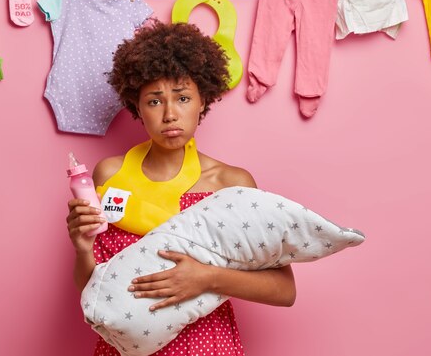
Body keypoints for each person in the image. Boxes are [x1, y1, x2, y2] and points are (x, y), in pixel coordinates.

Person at [66, 21, 296, 356]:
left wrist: (206, 278)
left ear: (203, 101)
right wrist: (83, 247)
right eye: (155, 101)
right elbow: (93, 289)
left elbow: (283, 289)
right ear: (137, 107)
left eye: (183, 97)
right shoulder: (110, 175)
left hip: (206, 346)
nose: (170, 114)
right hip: (124, 346)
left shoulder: (231, 184)